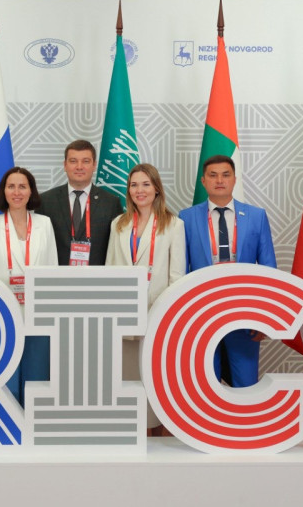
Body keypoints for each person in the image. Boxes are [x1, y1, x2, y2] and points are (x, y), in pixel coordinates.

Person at [179, 155, 277, 388]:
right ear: (203, 181)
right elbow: (181, 272)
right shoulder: (186, 218)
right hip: (202, 313)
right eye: (213, 175)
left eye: (225, 175)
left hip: (244, 312)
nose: (219, 180)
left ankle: (246, 414)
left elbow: (269, 269)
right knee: (204, 384)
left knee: (246, 384)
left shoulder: (256, 216)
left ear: (234, 179)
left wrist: (264, 318)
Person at [106, 163, 186, 434]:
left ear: (157, 189)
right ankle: (132, 430)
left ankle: (158, 432)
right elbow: (110, 268)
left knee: (154, 376)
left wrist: (167, 315)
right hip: (124, 316)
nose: (139, 190)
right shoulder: (118, 224)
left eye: (145, 184)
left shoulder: (174, 225)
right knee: (127, 376)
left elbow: (176, 277)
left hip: (156, 314)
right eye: (134, 185)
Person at [0, 167, 57, 406]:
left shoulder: (45, 223)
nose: (17, 192)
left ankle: (34, 425)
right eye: (11, 186)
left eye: (22, 186)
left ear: (31, 191)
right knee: (7, 381)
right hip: (4, 315)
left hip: (38, 314)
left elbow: (52, 269)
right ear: (3, 191)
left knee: (37, 378)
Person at [36, 139, 123, 266]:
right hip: (57, 276)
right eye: (73, 161)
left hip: (97, 276)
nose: (79, 167)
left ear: (94, 165)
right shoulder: (46, 201)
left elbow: (116, 248)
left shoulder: (111, 203)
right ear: (65, 165)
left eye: (86, 161)